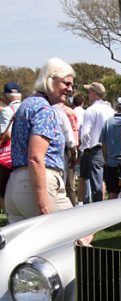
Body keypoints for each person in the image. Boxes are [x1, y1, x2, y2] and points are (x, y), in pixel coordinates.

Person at [4, 57, 75, 223]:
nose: (70, 89)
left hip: (15, 185)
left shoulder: (27, 104)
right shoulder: (43, 109)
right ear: (50, 80)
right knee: (77, 235)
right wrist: (43, 204)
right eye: (66, 83)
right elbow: (35, 158)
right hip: (37, 184)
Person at [78, 81, 114, 203]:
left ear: (94, 93)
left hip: (95, 149)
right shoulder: (111, 110)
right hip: (110, 149)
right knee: (104, 181)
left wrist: (85, 147)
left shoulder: (91, 110)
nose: (88, 95)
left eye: (89, 92)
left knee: (94, 182)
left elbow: (85, 133)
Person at [100, 96, 121, 199]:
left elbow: (104, 145)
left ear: (116, 107)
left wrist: (106, 160)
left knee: (112, 193)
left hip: (112, 162)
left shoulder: (107, 123)